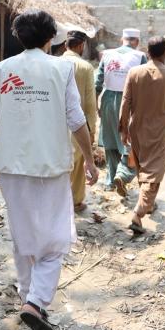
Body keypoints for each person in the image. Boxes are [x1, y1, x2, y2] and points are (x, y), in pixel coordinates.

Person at [0, 10, 98, 330]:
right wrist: (89, 161)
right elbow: (76, 119)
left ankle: (27, 294)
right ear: (51, 38)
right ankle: (35, 303)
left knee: (23, 234)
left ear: (19, 37)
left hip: (11, 168)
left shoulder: (3, 69)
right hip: (50, 168)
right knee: (55, 240)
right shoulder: (61, 68)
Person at [119, 36, 165, 234]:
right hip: (159, 131)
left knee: (144, 167)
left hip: (137, 128)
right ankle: (138, 213)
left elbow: (125, 103)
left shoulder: (134, 72)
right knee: (154, 172)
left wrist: (124, 128)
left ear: (147, 52)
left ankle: (148, 204)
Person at [95, 28, 146, 197]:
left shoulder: (107, 55)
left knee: (110, 141)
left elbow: (98, 82)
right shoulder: (140, 57)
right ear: (136, 42)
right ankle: (122, 175)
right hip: (130, 102)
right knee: (131, 142)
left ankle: (110, 180)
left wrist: (96, 104)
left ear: (121, 40)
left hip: (108, 99)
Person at [62, 30, 97, 213]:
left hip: (56, 123)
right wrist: (92, 130)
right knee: (77, 165)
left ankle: (58, 200)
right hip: (78, 123)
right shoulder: (85, 67)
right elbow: (90, 103)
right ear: (81, 45)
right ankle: (75, 201)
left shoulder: (55, 63)